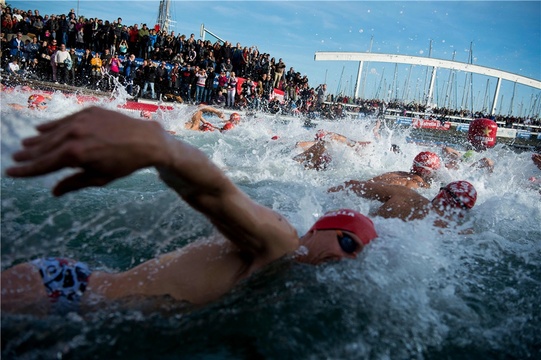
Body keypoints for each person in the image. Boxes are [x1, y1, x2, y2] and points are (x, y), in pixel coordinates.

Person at [2, 106, 377, 314]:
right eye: (346, 241)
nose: (346, 256)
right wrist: (163, 148)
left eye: (356, 254)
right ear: (316, 229)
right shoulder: (279, 239)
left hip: (75, 297)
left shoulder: (287, 277)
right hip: (63, 293)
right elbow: (216, 193)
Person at [328, 180, 477, 228]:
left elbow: (352, 185)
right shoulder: (456, 231)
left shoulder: (406, 194)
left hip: (353, 231)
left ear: (441, 193)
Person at [367, 151, 441, 189]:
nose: (435, 174)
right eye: (434, 171)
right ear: (427, 171)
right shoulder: (418, 184)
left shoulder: (399, 173)